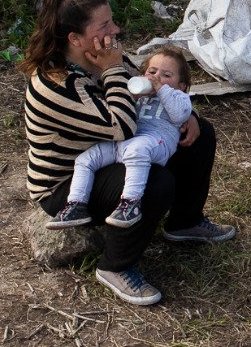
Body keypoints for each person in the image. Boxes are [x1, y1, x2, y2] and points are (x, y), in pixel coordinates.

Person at [20, 0, 234, 306]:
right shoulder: (56, 84)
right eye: (104, 26)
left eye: (112, 22)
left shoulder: (104, 52)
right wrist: (112, 70)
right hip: (67, 183)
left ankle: (185, 222)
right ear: (75, 39)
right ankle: (116, 266)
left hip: (110, 151)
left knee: (199, 132)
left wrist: (186, 114)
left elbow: (147, 88)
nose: (115, 30)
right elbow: (121, 126)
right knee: (155, 182)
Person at [47, 49, 193, 231]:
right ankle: (76, 204)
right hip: (124, 141)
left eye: (166, 75)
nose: (156, 78)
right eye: (152, 72)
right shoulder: (140, 96)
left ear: (181, 86)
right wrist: (130, 96)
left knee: (137, 150)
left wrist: (162, 90)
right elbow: (118, 113)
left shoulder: (179, 97)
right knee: (86, 159)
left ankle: (130, 203)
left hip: (156, 141)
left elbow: (180, 115)